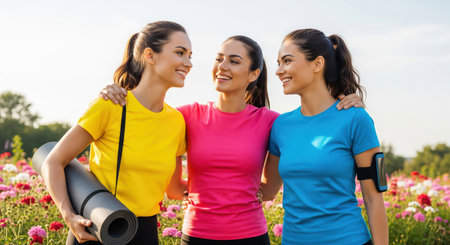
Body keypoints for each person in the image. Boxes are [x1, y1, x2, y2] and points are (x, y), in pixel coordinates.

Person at [100, 36, 362, 245]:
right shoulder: (185, 116)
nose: (222, 67)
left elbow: (270, 188)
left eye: (234, 61)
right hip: (196, 236)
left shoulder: (272, 122)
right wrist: (115, 90)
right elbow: (171, 187)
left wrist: (349, 99)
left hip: (251, 236)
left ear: (253, 74)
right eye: (219, 59)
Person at [41, 21, 192, 245]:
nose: (188, 63)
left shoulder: (176, 121)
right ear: (150, 55)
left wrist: (230, 191)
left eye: (190, 55)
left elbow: (174, 189)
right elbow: (53, 162)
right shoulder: (111, 105)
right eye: (180, 53)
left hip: (145, 233)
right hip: (99, 229)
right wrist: (68, 216)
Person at [261, 28, 389, 245]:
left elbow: (374, 196)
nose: (278, 71)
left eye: (287, 61)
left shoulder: (357, 119)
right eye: (278, 63)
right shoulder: (280, 126)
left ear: (318, 64)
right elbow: (266, 190)